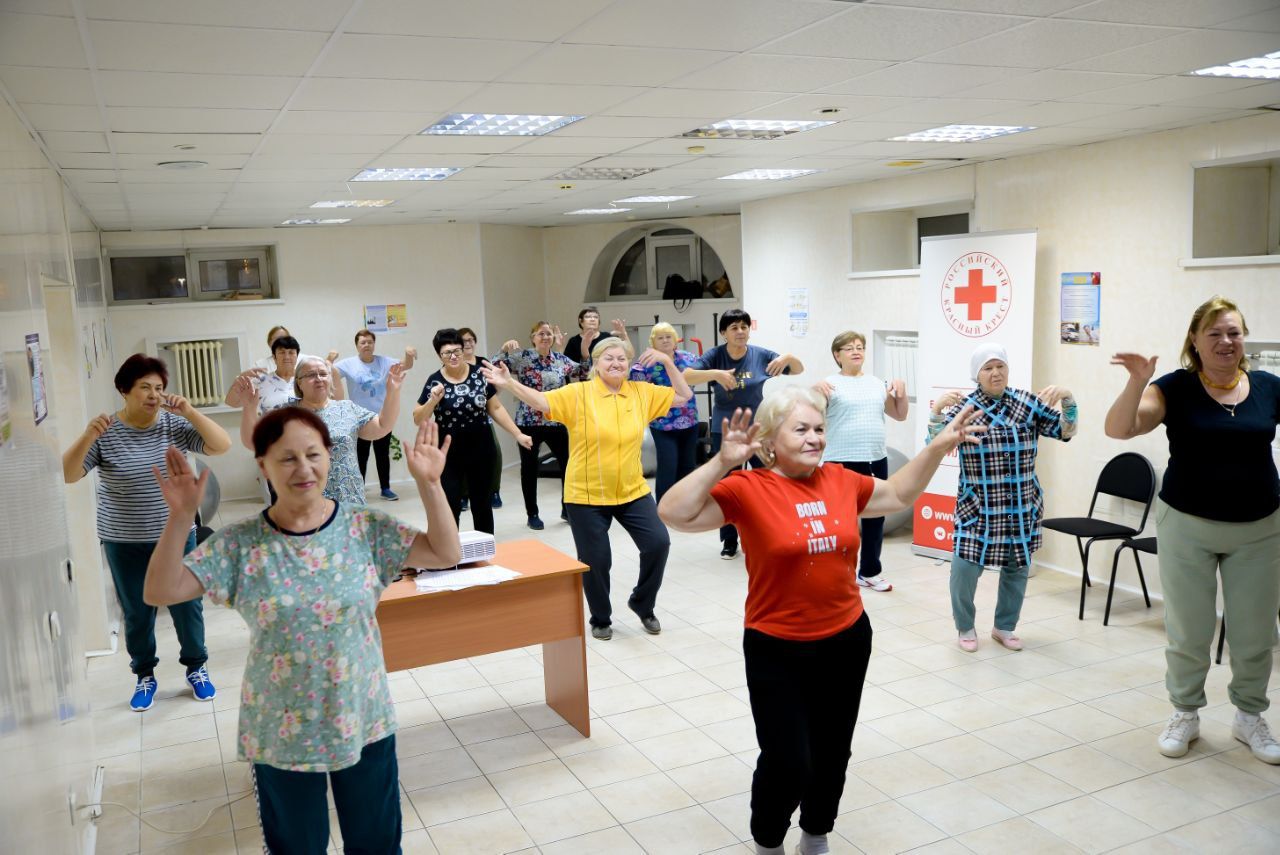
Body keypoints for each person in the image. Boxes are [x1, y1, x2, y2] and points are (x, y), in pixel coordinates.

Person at [658, 388, 981, 855]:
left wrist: (935, 447)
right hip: (776, 645)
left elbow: (898, 493)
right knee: (787, 759)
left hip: (846, 638)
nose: (815, 439)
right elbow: (673, 512)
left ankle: (816, 832)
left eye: (820, 429)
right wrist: (721, 462)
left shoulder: (841, 481)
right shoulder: (748, 489)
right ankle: (769, 841)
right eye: (802, 429)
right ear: (769, 439)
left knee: (832, 751)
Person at [143, 408, 460, 854]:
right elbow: (161, 590)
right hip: (280, 729)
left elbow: (446, 553)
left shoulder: (363, 526)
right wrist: (180, 517)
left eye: (313, 454)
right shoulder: (241, 544)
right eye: (287, 458)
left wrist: (430, 484)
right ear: (263, 466)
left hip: (361, 714)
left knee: (376, 844)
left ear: (330, 456)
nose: (304, 468)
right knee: (297, 847)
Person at [1105, 296, 1280, 765]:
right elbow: (1120, 429)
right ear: (1196, 341)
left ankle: (1249, 717)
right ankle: (1185, 713)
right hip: (1187, 525)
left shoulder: (1268, 387)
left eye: (1234, 333)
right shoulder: (1174, 388)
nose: (1226, 341)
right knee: (1189, 630)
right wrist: (1137, 381)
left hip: (1260, 528)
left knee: (1256, 633)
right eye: (1216, 333)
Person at [482, 338, 692, 640]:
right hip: (586, 493)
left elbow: (684, 396)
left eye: (621, 358)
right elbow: (542, 402)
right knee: (596, 560)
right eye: (608, 358)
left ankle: (642, 603)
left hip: (632, 490)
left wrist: (668, 362)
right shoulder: (579, 393)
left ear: (629, 363)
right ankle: (601, 618)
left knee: (658, 543)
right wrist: (510, 383)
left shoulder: (642, 393)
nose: (615, 363)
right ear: (595, 363)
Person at [61, 353, 232, 711]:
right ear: (124, 390)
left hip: (176, 533)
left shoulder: (173, 425)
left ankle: (196, 668)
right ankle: (144, 674)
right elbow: (70, 473)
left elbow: (221, 445)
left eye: (158, 387)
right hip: (123, 540)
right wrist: (87, 435)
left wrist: (191, 412)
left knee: (187, 604)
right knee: (137, 611)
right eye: (145, 387)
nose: (154, 394)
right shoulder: (107, 431)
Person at [929, 343, 1077, 653]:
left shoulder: (1027, 403)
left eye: (1000, 366)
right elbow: (935, 446)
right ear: (977, 375)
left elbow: (1064, 431)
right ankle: (965, 626)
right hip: (978, 507)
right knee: (964, 569)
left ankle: (1004, 626)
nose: (996, 373)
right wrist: (936, 413)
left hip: (1021, 505)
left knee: (1017, 568)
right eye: (988, 368)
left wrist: (1068, 400)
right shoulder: (965, 409)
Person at [685, 308, 804, 559]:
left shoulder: (760, 355)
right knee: (727, 485)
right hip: (725, 429)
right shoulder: (715, 356)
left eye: (744, 327)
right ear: (724, 333)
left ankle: (770, 532)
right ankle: (729, 540)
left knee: (768, 480)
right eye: (734, 328)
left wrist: (789, 356)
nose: (740, 332)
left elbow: (798, 369)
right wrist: (716, 374)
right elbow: (688, 376)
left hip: (757, 428)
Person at [237, 356, 404, 505]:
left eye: (323, 374)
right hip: (302, 505)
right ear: (299, 383)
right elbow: (252, 442)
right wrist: (249, 408)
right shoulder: (286, 413)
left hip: (348, 500)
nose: (318, 379)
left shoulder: (346, 408)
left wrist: (393, 391)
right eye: (310, 375)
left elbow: (382, 426)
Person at [814, 331, 908, 593]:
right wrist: (812, 391)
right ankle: (835, 572)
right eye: (849, 348)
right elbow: (808, 409)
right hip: (840, 461)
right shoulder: (829, 384)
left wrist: (902, 391)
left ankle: (869, 572)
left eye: (860, 347)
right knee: (839, 521)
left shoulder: (877, 383)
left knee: (875, 518)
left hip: (875, 458)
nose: (856, 351)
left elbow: (899, 414)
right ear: (837, 355)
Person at [413, 328, 530, 534]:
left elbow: (495, 408)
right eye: (447, 353)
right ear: (439, 356)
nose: (453, 356)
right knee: (450, 505)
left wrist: (517, 433)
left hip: (482, 448)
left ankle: (485, 553)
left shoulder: (479, 374)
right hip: (448, 453)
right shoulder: (434, 381)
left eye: (457, 351)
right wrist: (432, 400)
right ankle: (449, 555)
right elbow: (417, 417)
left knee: (482, 504)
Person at [493, 321, 586, 529]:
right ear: (533, 337)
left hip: (556, 419)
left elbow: (585, 372)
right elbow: (494, 367)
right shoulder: (522, 358)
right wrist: (503, 350)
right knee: (529, 467)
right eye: (541, 334)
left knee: (568, 464)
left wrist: (586, 346)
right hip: (529, 422)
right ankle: (532, 513)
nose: (545, 337)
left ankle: (567, 509)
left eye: (549, 334)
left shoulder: (560, 360)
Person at [334, 329, 417, 501]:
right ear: (357, 345)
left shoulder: (384, 362)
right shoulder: (348, 364)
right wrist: (329, 360)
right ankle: (360, 488)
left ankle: (385, 488)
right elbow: (330, 373)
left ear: (374, 344)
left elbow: (406, 365)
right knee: (360, 456)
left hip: (382, 417)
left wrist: (408, 353)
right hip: (358, 419)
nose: (366, 345)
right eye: (363, 342)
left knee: (382, 454)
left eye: (370, 342)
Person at [630, 322, 701, 504]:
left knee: (687, 465)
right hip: (662, 423)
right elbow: (634, 384)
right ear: (653, 342)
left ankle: (686, 504)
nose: (665, 340)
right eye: (660, 338)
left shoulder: (688, 358)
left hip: (690, 421)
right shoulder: (646, 362)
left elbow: (702, 374)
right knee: (668, 465)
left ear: (676, 340)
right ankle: (663, 506)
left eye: (668, 336)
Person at [458, 326, 504, 511]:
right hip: (461, 420)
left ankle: (494, 491)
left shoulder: (483, 363)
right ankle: (464, 495)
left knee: (494, 453)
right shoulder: (454, 364)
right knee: (462, 457)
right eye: (464, 341)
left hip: (484, 416)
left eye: (471, 340)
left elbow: (495, 390)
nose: (468, 344)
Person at [564, 306, 632, 365]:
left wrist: (624, 334)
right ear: (581, 321)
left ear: (599, 322)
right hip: (585, 378)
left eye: (596, 317)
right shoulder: (573, 341)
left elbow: (630, 354)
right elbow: (567, 366)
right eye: (588, 317)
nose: (592, 319)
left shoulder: (607, 337)